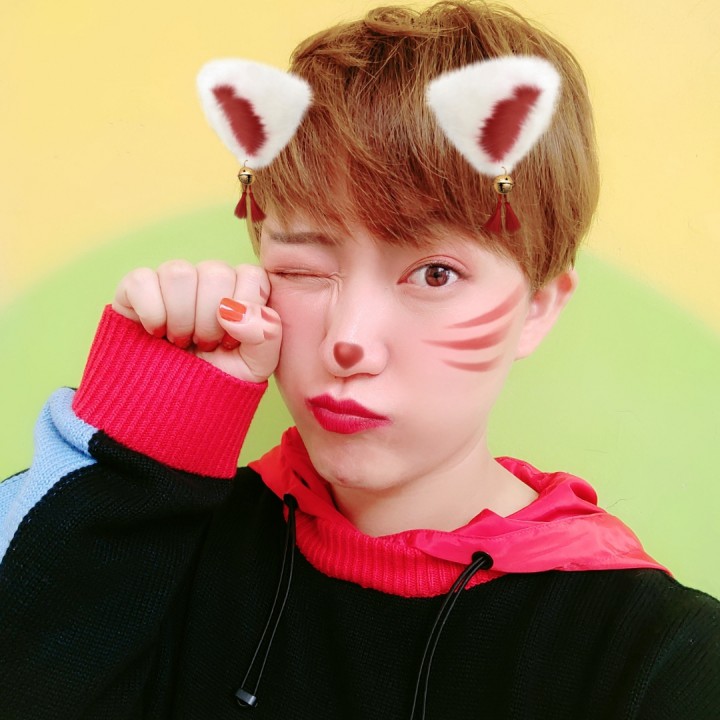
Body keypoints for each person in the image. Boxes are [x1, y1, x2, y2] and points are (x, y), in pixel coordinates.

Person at [1, 2, 718, 718]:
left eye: (434, 273)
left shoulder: (655, 657)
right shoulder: (156, 544)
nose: (348, 341)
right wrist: (142, 437)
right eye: (303, 269)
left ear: (537, 307)